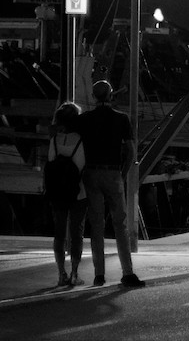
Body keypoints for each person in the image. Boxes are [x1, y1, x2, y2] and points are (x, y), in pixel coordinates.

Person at [77, 80, 145, 288]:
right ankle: (127, 272)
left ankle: (99, 274)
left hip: (91, 173)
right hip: (113, 172)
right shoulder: (121, 118)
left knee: (96, 225)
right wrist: (122, 174)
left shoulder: (85, 119)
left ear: (94, 96)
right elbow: (131, 151)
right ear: (111, 95)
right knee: (120, 224)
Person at [46, 101, 88, 287]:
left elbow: (50, 164)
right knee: (76, 232)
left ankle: (61, 273)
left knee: (59, 232)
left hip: (57, 194)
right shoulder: (81, 141)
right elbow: (82, 167)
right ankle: (75, 273)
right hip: (78, 193)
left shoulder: (54, 141)